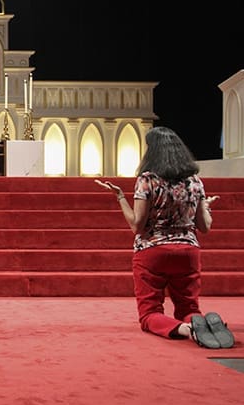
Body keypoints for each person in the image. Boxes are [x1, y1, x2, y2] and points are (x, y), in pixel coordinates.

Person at [95, 126, 234, 349]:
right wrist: (205, 207)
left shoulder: (147, 180)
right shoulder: (194, 181)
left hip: (153, 251)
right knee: (189, 308)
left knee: (149, 313)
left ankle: (187, 329)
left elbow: (137, 226)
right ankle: (200, 324)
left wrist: (120, 197)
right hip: (188, 252)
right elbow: (204, 226)